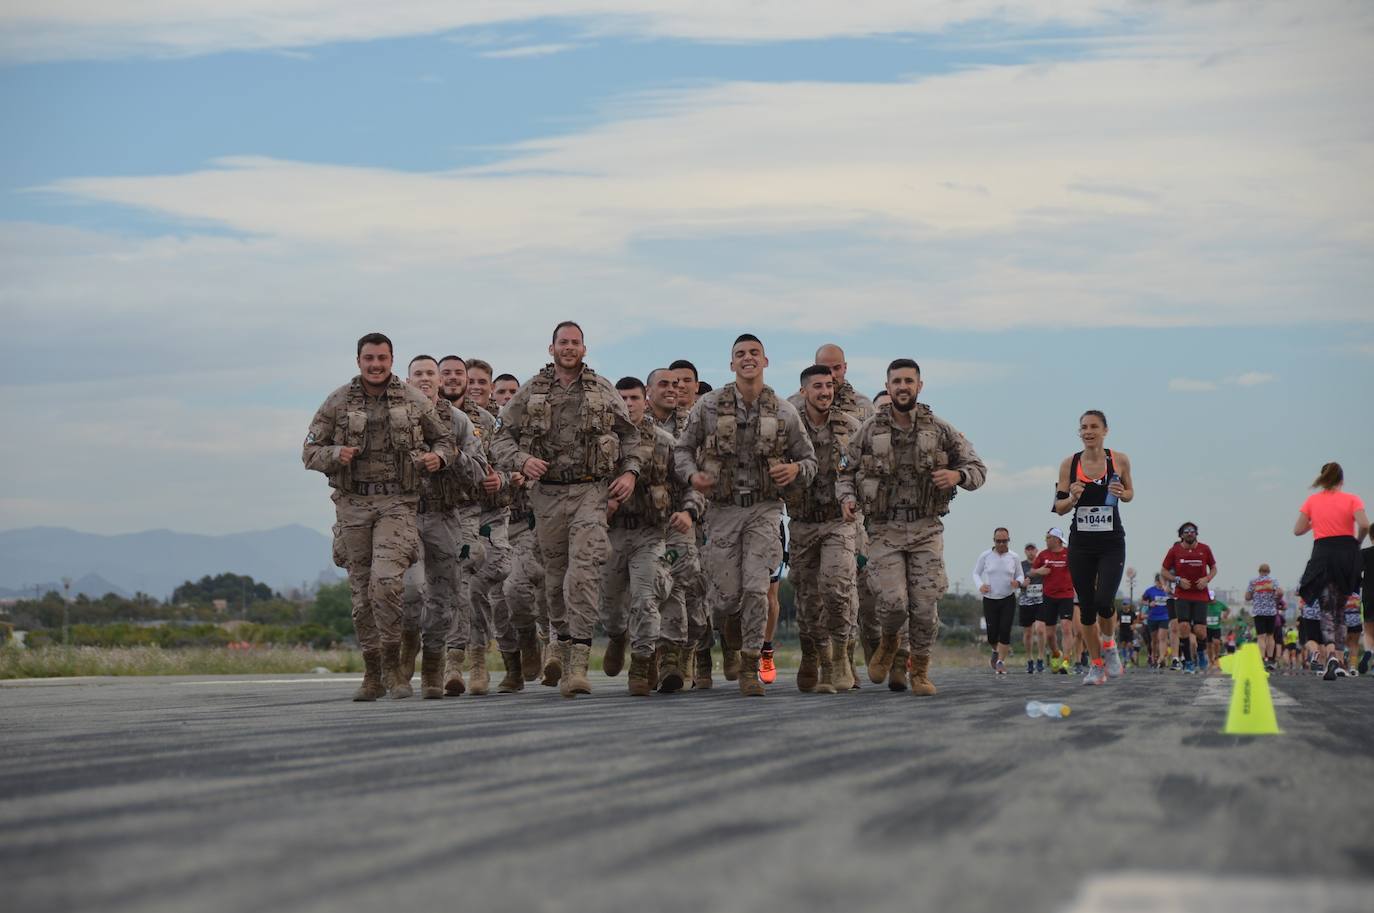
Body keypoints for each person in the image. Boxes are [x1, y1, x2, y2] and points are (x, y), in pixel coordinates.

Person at [301, 333, 457, 701]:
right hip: (353, 505)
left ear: (391, 360)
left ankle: (393, 665)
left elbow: (445, 441)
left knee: (386, 583)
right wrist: (335, 454)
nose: (376, 365)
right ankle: (372, 672)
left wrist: (439, 458)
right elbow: (309, 452)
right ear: (359, 361)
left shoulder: (413, 399)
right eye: (369, 359)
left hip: (397, 503)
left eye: (382, 358)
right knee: (361, 595)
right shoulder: (338, 401)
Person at [490, 321, 641, 698]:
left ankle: (578, 663)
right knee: (554, 578)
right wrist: (522, 460)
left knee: (584, 572)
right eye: (563, 343)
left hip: (591, 491)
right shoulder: (531, 390)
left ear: (584, 349)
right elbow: (499, 437)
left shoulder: (602, 389)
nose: (569, 348)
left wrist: (630, 473)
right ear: (552, 348)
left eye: (575, 343)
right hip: (548, 496)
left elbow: (631, 436)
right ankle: (557, 637)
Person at [674, 334, 817, 696]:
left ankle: (751, 666)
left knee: (756, 589)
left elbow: (810, 461)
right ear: (731, 364)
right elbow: (683, 450)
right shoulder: (707, 407)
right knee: (723, 599)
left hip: (764, 510)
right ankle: (731, 633)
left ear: (765, 362)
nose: (748, 358)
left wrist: (795, 471)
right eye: (740, 354)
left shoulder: (784, 411)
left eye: (754, 353)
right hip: (721, 511)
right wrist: (693, 475)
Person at [847, 358, 987, 695]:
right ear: (888, 385)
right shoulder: (868, 431)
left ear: (919, 386)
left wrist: (957, 475)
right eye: (896, 381)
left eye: (909, 381)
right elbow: (845, 472)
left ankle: (920, 671)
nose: (903, 387)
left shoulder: (939, 429)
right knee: (892, 602)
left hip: (925, 529)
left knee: (924, 606)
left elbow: (978, 469)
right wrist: (846, 498)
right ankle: (891, 640)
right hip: (884, 529)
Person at [601, 377, 704, 695]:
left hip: (652, 534)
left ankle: (643, 664)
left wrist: (688, 512)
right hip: (611, 535)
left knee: (649, 598)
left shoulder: (664, 443)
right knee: (610, 607)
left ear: (644, 401)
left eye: (633, 398)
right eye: (622, 398)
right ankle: (617, 636)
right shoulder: (599, 444)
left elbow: (694, 483)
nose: (628, 404)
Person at [400, 355, 493, 698]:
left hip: (445, 516)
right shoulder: (394, 418)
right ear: (407, 380)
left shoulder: (458, 421)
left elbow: (481, 472)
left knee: (444, 597)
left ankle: (433, 667)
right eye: (418, 374)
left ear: (441, 382)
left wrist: (450, 456)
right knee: (411, 590)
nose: (424, 379)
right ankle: (408, 639)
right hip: (405, 515)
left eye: (430, 374)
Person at [784, 364, 861, 694]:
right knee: (807, 598)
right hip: (802, 523)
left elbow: (865, 469)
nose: (825, 392)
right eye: (817, 386)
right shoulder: (788, 425)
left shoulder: (851, 427)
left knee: (836, 587)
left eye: (829, 385)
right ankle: (813, 654)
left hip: (838, 522)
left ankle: (840, 657)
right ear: (804, 392)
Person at [1052, 410, 1134, 686]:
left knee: (1104, 601)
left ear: (1105, 430)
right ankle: (1096, 666)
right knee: (1086, 608)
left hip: (1111, 542)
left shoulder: (1119, 459)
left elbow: (1131, 493)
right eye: (1083, 427)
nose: (1088, 431)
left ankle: (1109, 645)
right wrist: (1072, 498)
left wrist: (1124, 493)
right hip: (1081, 544)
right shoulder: (1069, 464)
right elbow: (1059, 508)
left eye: (1093, 427)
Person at [1294, 462, 1369, 681]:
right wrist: (1356, 542)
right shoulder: (1352, 498)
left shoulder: (1312, 501)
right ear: (1342, 480)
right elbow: (1364, 524)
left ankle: (1332, 658)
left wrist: (1314, 522)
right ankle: (1338, 658)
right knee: (1341, 610)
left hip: (1323, 552)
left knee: (1326, 607)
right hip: (1347, 552)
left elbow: (1298, 530)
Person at [973, 528, 1024, 675]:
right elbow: (976, 573)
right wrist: (980, 585)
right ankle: (995, 650)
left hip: (1008, 598)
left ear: (1009, 540)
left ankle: (1001, 662)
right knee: (992, 634)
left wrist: (1018, 582)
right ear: (993, 540)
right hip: (990, 599)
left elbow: (1020, 575)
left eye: (1004, 541)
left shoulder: (1014, 557)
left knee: (1005, 630)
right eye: (998, 541)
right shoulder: (986, 556)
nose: (1001, 544)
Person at [1032, 528, 1074, 673]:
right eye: (1046, 537)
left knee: (1066, 627)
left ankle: (1067, 661)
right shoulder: (1043, 555)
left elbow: (1079, 568)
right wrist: (1038, 571)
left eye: (1049, 537)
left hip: (1066, 596)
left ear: (1057, 539)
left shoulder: (1069, 553)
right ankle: (1056, 654)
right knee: (1049, 634)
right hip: (1049, 597)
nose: (1046, 539)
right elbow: (1031, 571)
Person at [1245, 564, 1281, 670]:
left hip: (1258, 612)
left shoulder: (1253, 581)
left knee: (1261, 637)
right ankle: (1270, 660)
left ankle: (1261, 660)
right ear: (1269, 571)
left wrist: (1254, 595)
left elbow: (1247, 597)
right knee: (1270, 636)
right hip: (1271, 612)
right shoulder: (1273, 580)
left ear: (1259, 571)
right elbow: (1280, 592)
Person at [1018, 543, 1046, 673]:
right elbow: (1015, 581)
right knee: (1028, 632)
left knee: (1040, 629)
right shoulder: (1020, 565)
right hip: (1025, 600)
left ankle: (1040, 658)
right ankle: (1029, 659)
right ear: (1025, 551)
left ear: (1036, 550)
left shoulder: (1042, 562)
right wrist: (1022, 584)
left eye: (1032, 549)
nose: (1030, 552)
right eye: (1028, 550)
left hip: (1041, 599)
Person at [1142, 574, 1170, 670]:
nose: (1162, 583)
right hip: (1152, 617)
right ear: (1156, 581)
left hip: (1164, 617)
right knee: (1154, 640)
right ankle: (1154, 657)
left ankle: (1162, 658)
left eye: (1163, 581)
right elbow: (1143, 600)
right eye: (1160, 581)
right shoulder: (1150, 591)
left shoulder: (1167, 591)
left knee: (1162, 638)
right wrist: (1149, 603)